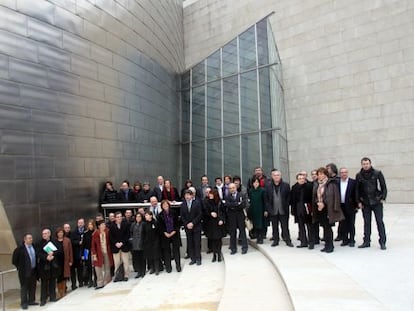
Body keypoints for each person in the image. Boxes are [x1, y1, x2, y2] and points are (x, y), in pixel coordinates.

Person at [355, 157, 388, 250]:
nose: (365, 165)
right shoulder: (359, 175)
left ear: (370, 164)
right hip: (365, 203)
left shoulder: (377, 173)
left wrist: (382, 198)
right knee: (366, 223)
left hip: (376, 201)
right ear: (362, 165)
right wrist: (358, 201)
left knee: (379, 222)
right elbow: (357, 190)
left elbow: (383, 187)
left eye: (367, 163)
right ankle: (366, 241)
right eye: (364, 164)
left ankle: (382, 242)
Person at [312, 167, 344, 253]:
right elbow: (315, 196)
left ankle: (330, 246)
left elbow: (332, 196)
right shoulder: (317, 184)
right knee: (324, 227)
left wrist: (324, 203)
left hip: (328, 208)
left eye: (322, 174)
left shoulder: (331, 184)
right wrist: (318, 202)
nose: (320, 176)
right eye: (318, 174)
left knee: (328, 227)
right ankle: (326, 245)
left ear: (326, 174)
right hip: (319, 208)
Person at [265, 169, 293, 247]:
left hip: (283, 210)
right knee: (274, 227)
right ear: (272, 176)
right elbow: (266, 199)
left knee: (285, 227)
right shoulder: (268, 186)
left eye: (278, 175)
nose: (276, 177)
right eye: (275, 175)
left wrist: (286, 205)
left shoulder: (286, 185)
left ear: (280, 176)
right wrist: (269, 209)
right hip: (273, 210)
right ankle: (276, 241)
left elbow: (289, 197)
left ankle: (288, 240)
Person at [12, 233, 39, 309]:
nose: (31, 239)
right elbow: (14, 260)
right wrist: (20, 268)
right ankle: (24, 303)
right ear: (25, 239)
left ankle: (31, 300)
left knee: (33, 286)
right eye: (29, 238)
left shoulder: (33, 246)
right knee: (24, 287)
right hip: (24, 272)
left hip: (33, 271)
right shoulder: (19, 249)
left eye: (31, 238)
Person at [36, 228, 61, 306]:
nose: (44, 235)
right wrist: (46, 257)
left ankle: (53, 297)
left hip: (53, 265)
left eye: (46, 233)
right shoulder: (39, 243)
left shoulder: (54, 241)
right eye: (43, 234)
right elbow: (38, 253)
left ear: (49, 234)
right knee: (44, 284)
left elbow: (59, 250)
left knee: (52, 282)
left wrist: (53, 254)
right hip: (44, 266)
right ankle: (43, 300)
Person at [223, 183, 248, 254]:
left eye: (233, 187)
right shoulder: (227, 196)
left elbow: (243, 205)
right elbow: (227, 205)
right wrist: (236, 204)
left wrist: (233, 206)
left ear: (236, 188)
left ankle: (244, 247)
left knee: (242, 232)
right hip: (231, 217)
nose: (232, 189)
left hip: (240, 216)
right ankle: (233, 248)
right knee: (233, 233)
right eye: (230, 188)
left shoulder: (241, 195)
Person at [291, 173, 314, 249]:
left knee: (309, 227)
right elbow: (293, 200)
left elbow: (312, 199)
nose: (301, 180)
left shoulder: (309, 186)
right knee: (301, 226)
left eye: (303, 178)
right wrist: (293, 211)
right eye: (299, 178)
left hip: (307, 208)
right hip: (298, 208)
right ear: (297, 180)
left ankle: (311, 243)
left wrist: (312, 210)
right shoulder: (294, 187)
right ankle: (303, 242)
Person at [158, 200, 181, 272]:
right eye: (163, 205)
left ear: (169, 205)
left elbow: (177, 224)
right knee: (166, 252)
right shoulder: (160, 215)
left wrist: (174, 231)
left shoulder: (174, 213)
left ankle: (178, 266)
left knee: (176, 251)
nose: (165, 206)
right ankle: (168, 267)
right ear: (162, 206)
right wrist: (165, 233)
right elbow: (160, 226)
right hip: (165, 235)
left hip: (174, 233)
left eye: (166, 204)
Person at [180, 190, 203, 265]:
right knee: (190, 243)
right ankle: (192, 259)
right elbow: (182, 216)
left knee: (197, 243)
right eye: (185, 195)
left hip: (196, 226)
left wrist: (193, 223)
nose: (187, 196)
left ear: (192, 196)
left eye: (188, 195)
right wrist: (187, 224)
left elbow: (200, 214)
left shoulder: (197, 203)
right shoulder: (183, 204)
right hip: (187, 227)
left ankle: (198, 258)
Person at [338, 167, 358, 247]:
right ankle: (345, 239)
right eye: (342, 172)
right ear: (340, 174)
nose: (344, 174)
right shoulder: (337, 182)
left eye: (345, 172)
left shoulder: (353, 182)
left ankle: (352, 240)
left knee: (351, 223)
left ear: (347, 173)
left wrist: (356, 205)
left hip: (350, 206)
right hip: (341, 206)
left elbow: (356, 194)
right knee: (343, 223)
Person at [204, 189, 226, 261]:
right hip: (211, 223)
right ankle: (214, 255)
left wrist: (222, 220)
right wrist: (210, 214)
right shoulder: (207, 202)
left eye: (211, 194)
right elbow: (205, 211)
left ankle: (219, 254)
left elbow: (223, 212)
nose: (209, 195)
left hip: (218, 223)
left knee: (218, 239)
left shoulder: (220, 202)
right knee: (213, 239)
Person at [91, 220, 114, 289]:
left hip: (107, 251)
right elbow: (93, 245)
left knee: (107, 266)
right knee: (98, 268)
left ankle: (107, 281)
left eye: (104, 224)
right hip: (98, 252)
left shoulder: (108, 231)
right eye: (102, 224)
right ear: (99, 226)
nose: (104, 225)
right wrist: (94, 254)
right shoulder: (95, 233)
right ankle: (100, 283)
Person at [109, 212, 131, 281]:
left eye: (120, 217)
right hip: (116, 247)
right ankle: (117, 276)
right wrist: (116, 243)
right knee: (117, 263)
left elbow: (127, 235)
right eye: (118, 217)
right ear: (115, 218)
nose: (119, 218)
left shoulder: (126, 224)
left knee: (126, 262)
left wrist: (122, 243)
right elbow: (111, 237)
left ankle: (126, 275)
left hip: (124, 246)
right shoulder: (111, 226)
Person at [55, 228, 73, 298]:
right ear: (57, 234)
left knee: (64, 276)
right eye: (59, 233)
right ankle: (60, 292)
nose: (60, 234)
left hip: (65, 261)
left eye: (61, 232)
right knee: (59, 277)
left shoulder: (67, 240)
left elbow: (70, 251)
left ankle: (63, 290)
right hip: (57, 262)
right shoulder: (54, 241)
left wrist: (71, 261)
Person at [248, 177, 266, 244]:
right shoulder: (250, 191)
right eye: (254, 182)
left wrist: (265, 210)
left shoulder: (262, 190)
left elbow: (265, 201)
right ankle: (256, 236)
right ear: (252, 183)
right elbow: (249, 200)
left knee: (260, 224)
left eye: (257, 182)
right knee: (255, 224)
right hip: (253, 209)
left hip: (260, 209)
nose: (256, 184)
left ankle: (260, 238)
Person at [70, 218, 85, 289]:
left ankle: (82, 282)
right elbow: (72, 242)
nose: (81, 224)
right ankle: (74, 284)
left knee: (81, 269)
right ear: (77, 223)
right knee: (74, 270)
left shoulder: (86, 231)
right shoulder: (73, 232)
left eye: (82, 223)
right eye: (79, 223)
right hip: (76, 253)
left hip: (84, 252)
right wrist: (78, 242)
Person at [130, 213, 145, 278]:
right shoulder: (133, 224)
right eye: (137, 217)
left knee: (142, 259)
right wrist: (131, 241)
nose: (138, 218)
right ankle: (139, 271)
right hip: (135, 244)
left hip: (142, 243)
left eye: (139, 217)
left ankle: (143, 271)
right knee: (137, 259)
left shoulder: (143, 224)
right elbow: (130, 233)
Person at [82, 219, 96, 287]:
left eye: (91, 224)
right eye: (89, 225)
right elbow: (83, 245)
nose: (90, 226)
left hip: (94, 251)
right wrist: (83, 255)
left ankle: (96, 279)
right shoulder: (85, 233)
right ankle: (90, 280)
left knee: (95, 266)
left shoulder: (95, 232)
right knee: (89, 266)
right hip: (87, 251)